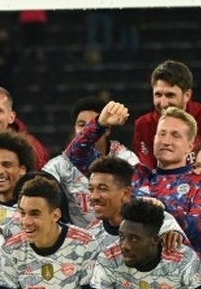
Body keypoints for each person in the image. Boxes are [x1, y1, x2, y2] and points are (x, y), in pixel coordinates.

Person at [70, 103, 201, 263]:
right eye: (162, 134)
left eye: (175, 135)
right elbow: (76, 155)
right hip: (133, 276)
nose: (166, 141)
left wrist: (160, 209)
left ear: (190, 146)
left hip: (184, 276)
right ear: (154, 139)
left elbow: (199, 231)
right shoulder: (136, 175)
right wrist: (100, 124)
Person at [43, 96, 138, 227]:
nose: (85, 129)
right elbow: (38, 191)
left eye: (91, 124)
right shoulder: (60, 164)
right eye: (81, 125)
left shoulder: (126, 159)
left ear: (107, 129)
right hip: (77, 240)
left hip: (118, 234)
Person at [131, 61, 201, 170]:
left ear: (187, 95)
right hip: (161, 186)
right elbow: (146, 174)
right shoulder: (143, 125)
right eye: (158, 95)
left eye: (170, 95)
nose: (163, 103)